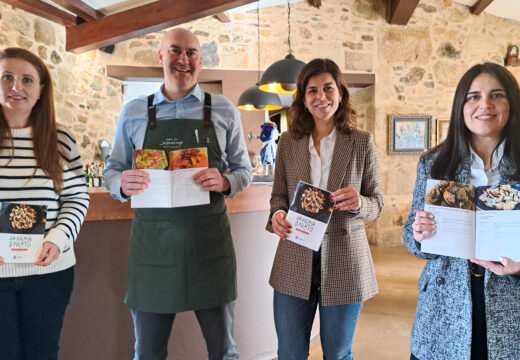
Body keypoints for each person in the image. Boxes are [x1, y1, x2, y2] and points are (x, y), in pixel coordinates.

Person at [104, 28, 252, 360]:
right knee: (149, 353)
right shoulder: (134, 111)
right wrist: (120, 184)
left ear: (200, 61)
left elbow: (244, 171)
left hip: (209, 248)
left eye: (191, 53)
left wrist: (227, 182)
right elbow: (112, 168)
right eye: (175, 51)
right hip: (152, 253)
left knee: (224, 351)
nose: (183, 60)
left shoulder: (225, 110)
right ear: (160, 56)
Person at [266, 58, 383, 360]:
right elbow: (278, 196)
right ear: (303, 100)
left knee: (338, 354)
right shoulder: (288, 144)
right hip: (294, 258)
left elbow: (378, 203)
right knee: (290, 353)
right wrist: (277, 215)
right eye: (312, 90)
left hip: (345, 261)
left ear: (340, 94)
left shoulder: (361, 143)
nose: (321, 97)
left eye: (328, 88)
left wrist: (360, 203)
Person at [404, 62, 520, 360]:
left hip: (512, 302)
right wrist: (418, 234)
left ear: (512, 104)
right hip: (445, 303)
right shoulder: (434, 163)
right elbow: (411, 235)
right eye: (473, 97)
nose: (485, 104)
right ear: (461, 105)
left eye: (497, 95)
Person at [0, 47, 90, 359]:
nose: (16, 86)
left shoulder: (61, 139)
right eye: (7, 77)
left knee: (42, 353)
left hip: (49, 273)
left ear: (40, 90)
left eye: (27, 80)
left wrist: (59, 238)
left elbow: (77, 197)